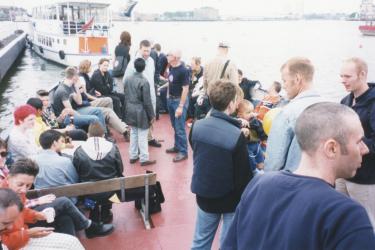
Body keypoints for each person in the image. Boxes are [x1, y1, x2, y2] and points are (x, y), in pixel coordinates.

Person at [222, 102, 375, 250]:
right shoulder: (347, 216)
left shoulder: (258, 186)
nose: (365, 149)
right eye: (359, 141)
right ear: (332, 148)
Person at [190, 80, 253, 249]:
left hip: (204, 194)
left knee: (200, 241)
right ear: (231, 103)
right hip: (229, 200)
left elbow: (197, 151)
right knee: (227, 242)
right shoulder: (236, 135)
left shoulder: (196, 126)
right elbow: (243, 176)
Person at [5, 158, 113, 240]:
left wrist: (37, 209)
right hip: (19, 231)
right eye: (20, 184)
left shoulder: (15, 190)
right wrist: (37, 204)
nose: (24, 190)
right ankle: (89, 226)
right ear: (8, 178)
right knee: (63, 202)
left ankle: (71, 243)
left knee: (65, 217)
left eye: (28, 186)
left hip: (24, 221)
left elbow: (22, 207)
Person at [264, 57, 326, 172]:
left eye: (284, 80)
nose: (283, 86)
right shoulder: (331, 108)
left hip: (292, 184)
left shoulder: (288, 113)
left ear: (297, 79)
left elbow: (274, 163)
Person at [337, 57, 375, 228]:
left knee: (368, 223)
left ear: (362, 74)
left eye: (347, 76)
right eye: (341, 76)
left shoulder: (373, 103)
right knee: (341, 220)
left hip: (366, 178)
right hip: (342, 175)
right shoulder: (344, 101)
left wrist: (364, 145)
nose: (343, 80)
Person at [73, 122, 124, 223]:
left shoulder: (79, 151)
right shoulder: (113, 147)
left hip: (88, 193)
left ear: (88, 135)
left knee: (88, 190)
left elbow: (76, 173)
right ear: (103, 135)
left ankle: (93, 210)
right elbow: (120, 169)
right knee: (110, 186)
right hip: (111, 192)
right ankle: (106, 211)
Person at [77, 59, 130, 141]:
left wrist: (94, 91)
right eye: (90, 66)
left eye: (107, 65)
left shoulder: (86, 76)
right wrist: (95, 97)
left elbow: (90, 89)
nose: (91, 68)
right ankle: (119, 126)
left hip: (89, 99)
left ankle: (116, 123)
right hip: (87, 103)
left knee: (112, 100)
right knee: (110, 100)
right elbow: (85, 94)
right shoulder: (82, 78)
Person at [123, 39, 161, 148]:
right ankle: (141, 146)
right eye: (144, 51)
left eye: (148, 51)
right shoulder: (133, 63)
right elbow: (126, 80)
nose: (146, 53)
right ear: (139, 49)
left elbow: (152, 77)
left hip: (150, 94)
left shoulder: (151, 61)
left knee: (151, 117)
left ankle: (149, 138)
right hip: (139, 98)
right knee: (140, 124)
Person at [52, 66, 106, 132]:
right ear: (74, 77)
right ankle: (98, 136)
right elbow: (70, 110)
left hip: (72, 112)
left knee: (98, 111)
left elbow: (79, 102)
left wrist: (77, 87)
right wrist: (82, 116)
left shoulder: (70, 86)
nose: (79, 76)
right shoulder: (63, 91)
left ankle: (103, 134)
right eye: (77, 75)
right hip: (66, 118)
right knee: (94, 118)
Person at [124, 58, 156, 166]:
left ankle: (133, 156)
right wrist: (152, 115)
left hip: (130, 108)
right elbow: (147, 101)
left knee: (133, 133)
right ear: (144, 68)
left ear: (134, 66)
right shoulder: (144, 81)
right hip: (140, 111)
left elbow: (126, 94)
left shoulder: (127, 79)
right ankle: (144, 158)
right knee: (143, 135)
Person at [164, 50, 190, 162]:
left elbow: (185, 89)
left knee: (180, 128)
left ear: (174, 57)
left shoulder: (184, 70)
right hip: (171, 100)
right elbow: (171, 82)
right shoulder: (171, 67)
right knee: (175, 125)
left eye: (168, 55)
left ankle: (183, 152)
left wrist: (180, 106)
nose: (167, 56)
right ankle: (177, 146)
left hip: (179, 101)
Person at [237, 100, 267, 173]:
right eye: (248, 112)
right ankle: (254, 173)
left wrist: (264, 138)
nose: (251, 114)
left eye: (252, 112)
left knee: (261, 162)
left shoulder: (255, 121)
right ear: (240, 115)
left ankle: (261, 170)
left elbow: (261, 131)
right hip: (247, 147)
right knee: (252, 164)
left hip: (256, 145)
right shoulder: (239, 122)